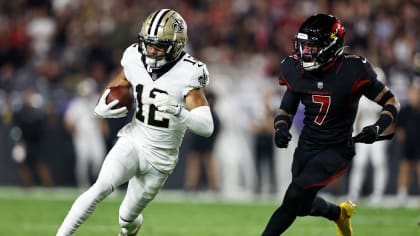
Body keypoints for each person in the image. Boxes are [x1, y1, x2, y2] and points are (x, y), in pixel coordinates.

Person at [56, 9, 214, 236]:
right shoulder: (134, 57)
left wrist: (179, 112)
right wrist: (102, 102)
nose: (151, 50)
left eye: (158, 45)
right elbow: (120, 82)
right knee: (99, 187)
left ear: (176, 45)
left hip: (160, 159)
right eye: (148, 43)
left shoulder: (189, 72)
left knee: (127, 218)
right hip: (134, 140)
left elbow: (207, 127)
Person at [262, 14, 400, 236]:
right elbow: (287, 107)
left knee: (294, 196)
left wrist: (377, 127)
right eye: (303, 45)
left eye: (312, 46)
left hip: (336, 149)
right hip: (307, 146)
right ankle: (339, 214)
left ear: (331, 46)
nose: (305, 51)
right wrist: (280, 127)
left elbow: (391, 101)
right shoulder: (294, 68)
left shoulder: (353, 69)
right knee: (302, 206)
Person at [348, 68, 389, 204]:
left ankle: (378, 192)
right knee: (359, 163)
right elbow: (357, 115)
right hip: (363, 129)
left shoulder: (385, 96)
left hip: (378, 128)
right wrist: (354, 133)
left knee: (379, 162)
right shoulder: (362, 94)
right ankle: (354, 191)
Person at [64, 78, 108, 189]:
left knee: (99, 158)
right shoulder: (76, 104)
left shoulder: (96, 101)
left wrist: (103, 128)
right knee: (83, 160)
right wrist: (75, 132)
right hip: (82, 135)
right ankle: (83, 184)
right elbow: (68, 121)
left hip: (95, 134)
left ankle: (100, 182)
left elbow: (102, 118)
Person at [184, 89, 221, 193]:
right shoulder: (195, 92)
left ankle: (213, 185)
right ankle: (191, 185)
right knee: (195, 158)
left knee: (207, 158)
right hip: (201, 124)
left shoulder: (208, 94)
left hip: (207, 123)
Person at [395, 80, 420, 206]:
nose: (413, 96)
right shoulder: (405, 110)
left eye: (415, 94)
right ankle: (402, 194)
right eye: (411, 93)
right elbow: (399, 128)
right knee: (405, 168)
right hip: (408, 143)